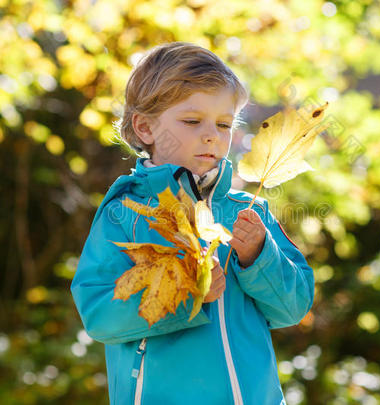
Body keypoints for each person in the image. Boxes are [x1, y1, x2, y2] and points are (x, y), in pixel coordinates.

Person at [71, 41, 314, 405]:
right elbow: (99, 312)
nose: (211, 135)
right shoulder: (126, 213)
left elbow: (292, 307)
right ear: (146, 128)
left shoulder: (249, 213)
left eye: (224, 124)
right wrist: (187, 292)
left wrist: (259, 257)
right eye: (191, 121)